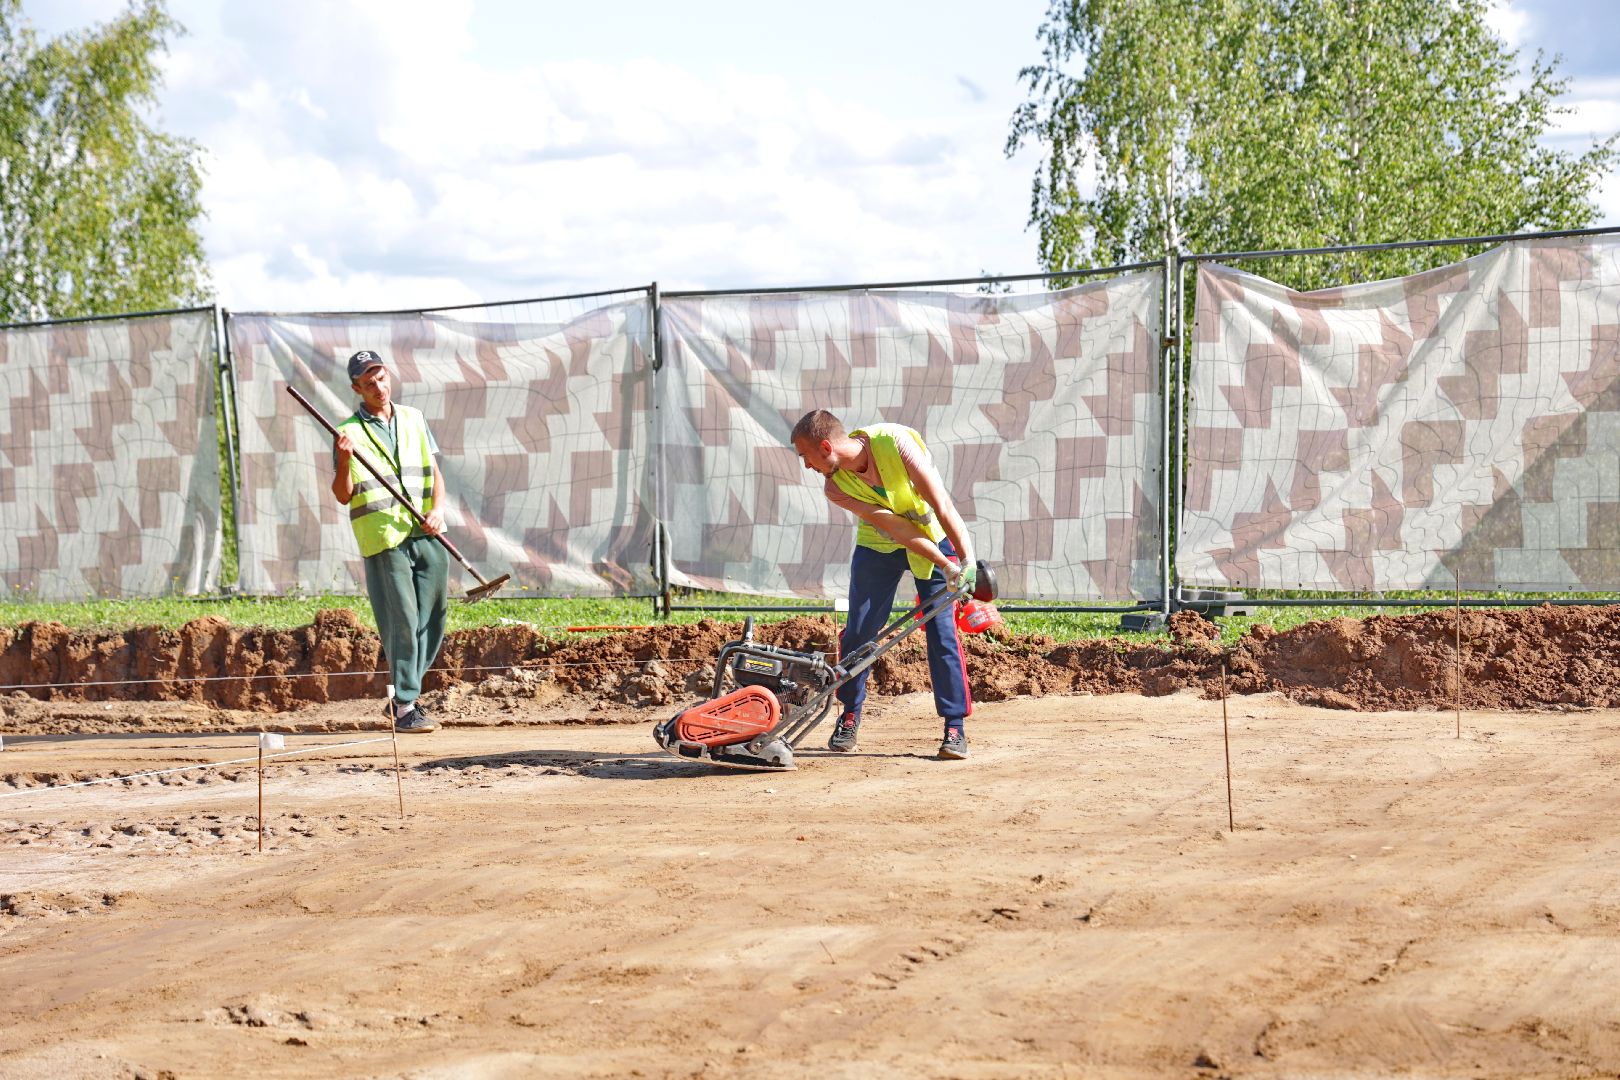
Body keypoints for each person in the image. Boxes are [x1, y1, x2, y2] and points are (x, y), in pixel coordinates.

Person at [790, 409, 978, 760]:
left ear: (826, 445)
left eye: (806, 456)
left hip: (934, 537)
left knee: (941, 632)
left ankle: (954, 727)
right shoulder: (835, 488)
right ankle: (849, 714)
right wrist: (946, 566)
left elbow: (941, 505)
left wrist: (964, 562)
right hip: (880, 545)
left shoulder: (895, 443)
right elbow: (895, 528)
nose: (807, 467)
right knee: (860, 631)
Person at [330, 349, 449, 734]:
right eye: (368, 383)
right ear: (357, 388)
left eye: (381, 378)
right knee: (402, 620)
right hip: (384, 537)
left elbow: (433, 472)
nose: (378, 387)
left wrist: (438, 511)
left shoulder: (414, 418)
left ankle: (403, 697)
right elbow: (343, 494)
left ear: (388, 376)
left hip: (426, 530)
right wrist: (345, 461)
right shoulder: (348, 431)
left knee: (433, 618)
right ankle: (405, 704)